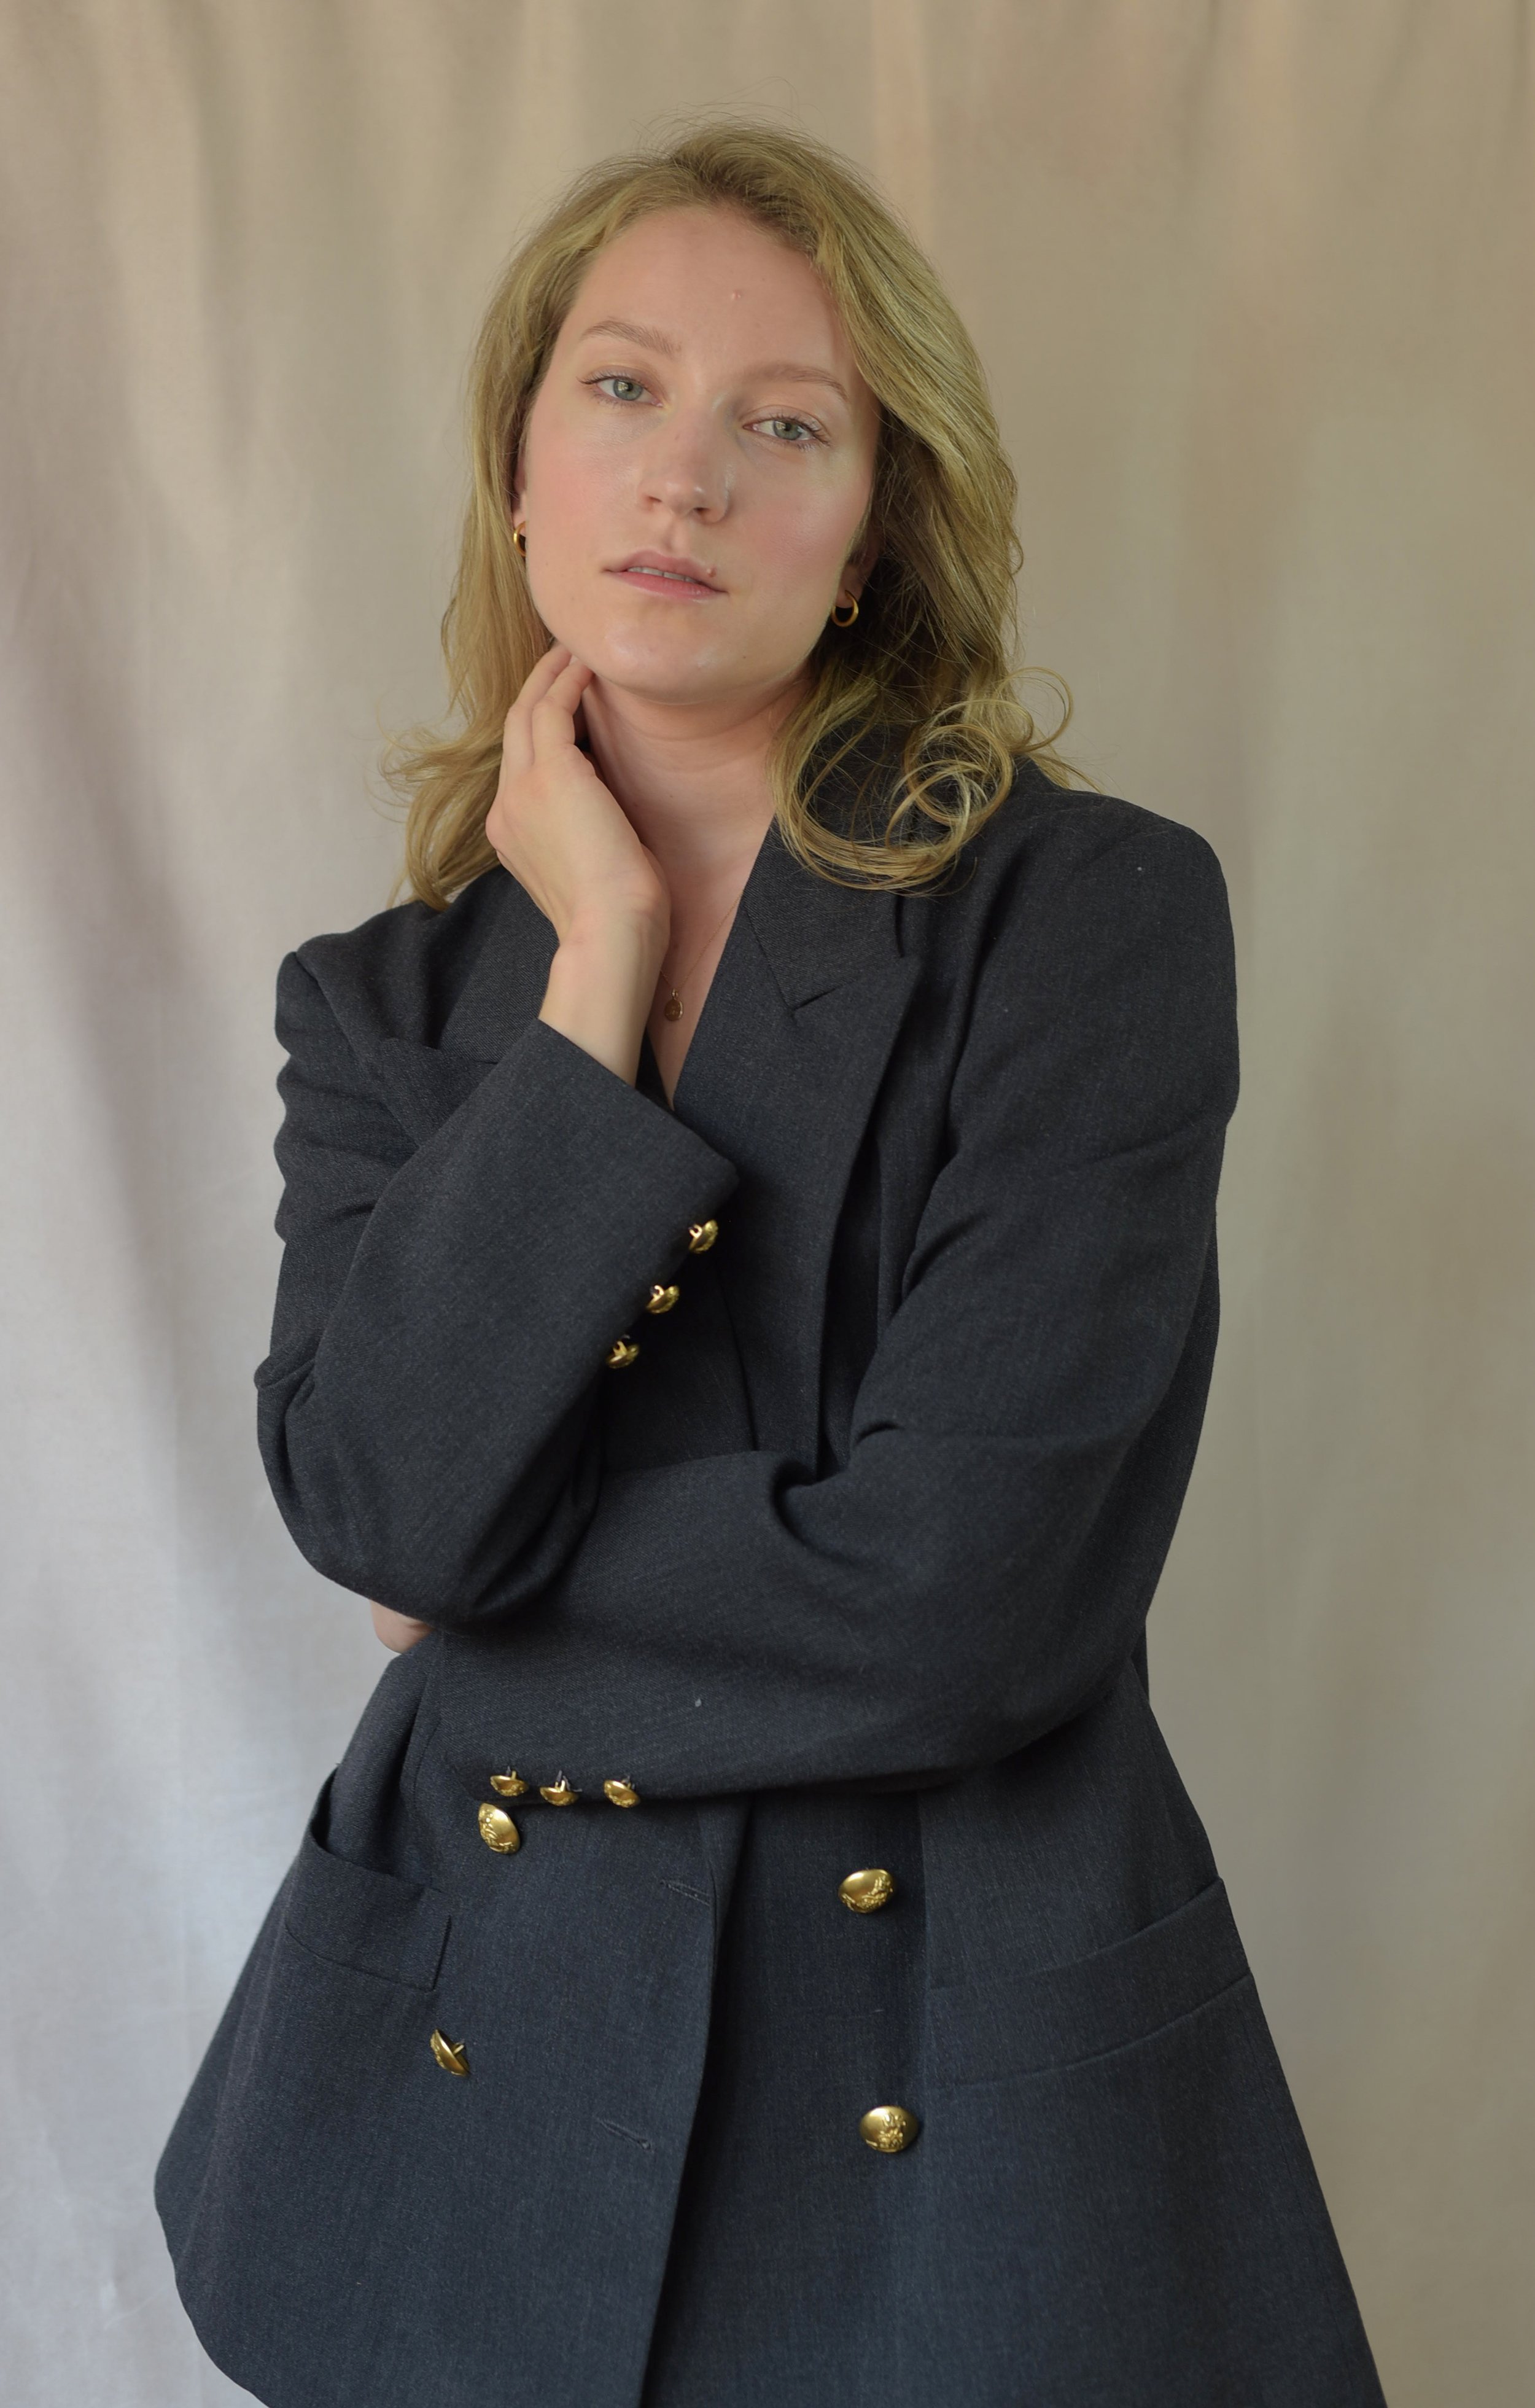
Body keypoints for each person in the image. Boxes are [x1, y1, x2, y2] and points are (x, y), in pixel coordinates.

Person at [155, 120, 1385, 2408]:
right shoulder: (391, 999)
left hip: (955, 2102)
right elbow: (380, 1514)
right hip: (473, 2083)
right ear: (519, 466)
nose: (686, 478)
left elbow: (968, 1598)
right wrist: (594, 977)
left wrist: (486, 1604)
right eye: (619, 389)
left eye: (784, 422)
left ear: (877, 527)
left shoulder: (1086, 915)